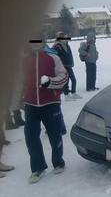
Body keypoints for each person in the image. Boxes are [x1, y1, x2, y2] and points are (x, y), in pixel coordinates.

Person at [23, 36, 68, 183]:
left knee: (55, 135)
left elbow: (64, 76)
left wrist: (50, 82)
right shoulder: (24, 59)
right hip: (30, 105)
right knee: (31, 138)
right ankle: (38, 168)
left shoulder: (52, 57)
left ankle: (58, 162)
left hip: (50, 104)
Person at [53, 31, 81, 101]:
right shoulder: (57, 46)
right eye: (64, 37)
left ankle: (73, 93)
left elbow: (70, 55)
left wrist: (72, 63)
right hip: (63, 66)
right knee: (66, 81)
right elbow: (55, 57)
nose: (66, 38)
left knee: (73, 80)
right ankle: (66, 96)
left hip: (69, 65)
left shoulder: (67, 45)